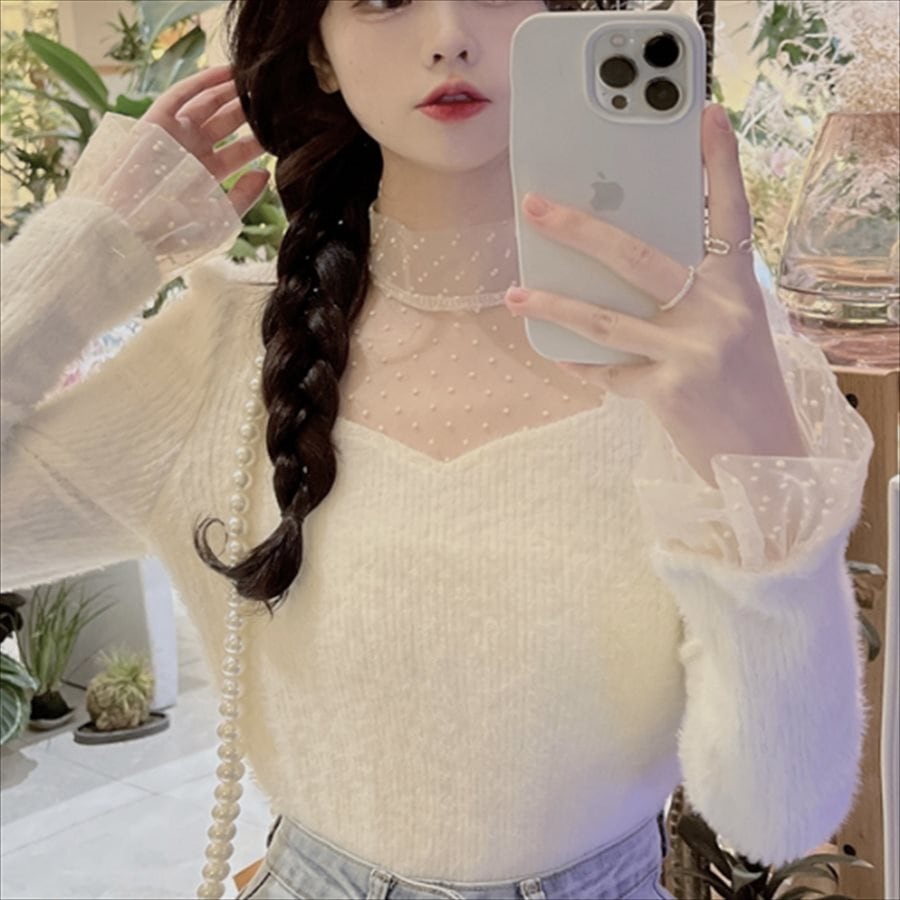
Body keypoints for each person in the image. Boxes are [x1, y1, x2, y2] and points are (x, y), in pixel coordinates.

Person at [0, 1, 874, 899]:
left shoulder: (708, 364)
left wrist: (756, 459)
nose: (450, 33)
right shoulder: (221, 355)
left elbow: (776, 816)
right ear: (319, 53)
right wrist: (90, 248)